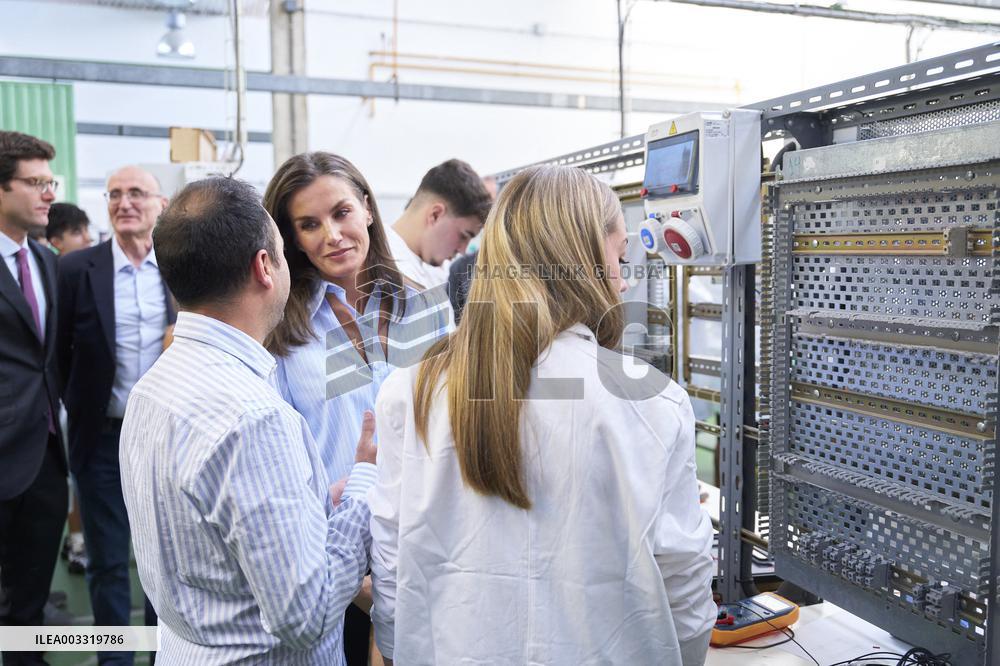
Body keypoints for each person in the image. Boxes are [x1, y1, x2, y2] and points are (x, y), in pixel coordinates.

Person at [370, 165, 716, 666]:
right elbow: (684, 587)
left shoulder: (411, 392)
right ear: (586, 260)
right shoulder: (652, 403)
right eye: (619, 258)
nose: (622, 284)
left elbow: (392, 568)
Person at [119, 176, 376, 664]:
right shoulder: (254, 417)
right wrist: (365, 489)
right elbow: (307, 615)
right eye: (283, 249)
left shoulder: (153, 386)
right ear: (265, 266)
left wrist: (318, 499)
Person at [263, 151, 449, 666]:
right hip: (327, 554)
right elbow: (280, 456)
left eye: (341, 213)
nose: (331, 234)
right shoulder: (280, 330)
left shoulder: (427, 309)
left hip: (424, 548)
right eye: (308, 224)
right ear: (290, 238)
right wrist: (359, 582)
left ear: (367, 208)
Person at [57, 166, 172, 665]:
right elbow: (57, 352)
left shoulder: (180, 267)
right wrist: (77, 405)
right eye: (115, 194)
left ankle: (162, 654)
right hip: (102, 438)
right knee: (107, 562)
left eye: (137, 194)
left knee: (161, 564)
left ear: (160, 206)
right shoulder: (76, 269)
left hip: (165, 440)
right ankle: (115, 659)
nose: (125, 203)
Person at [0, 130, 68, 666]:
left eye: (51, 181)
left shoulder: (45, 263)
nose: (49, 193)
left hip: (45, 457)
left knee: (31, 602)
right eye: (36, 182)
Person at [387, 158, 491, 291]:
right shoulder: (376, 268)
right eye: (463, 236)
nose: (463, 250)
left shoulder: (439, 269)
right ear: (435, 215)